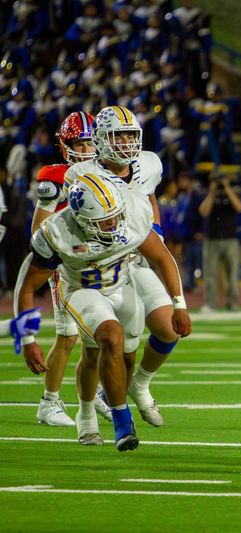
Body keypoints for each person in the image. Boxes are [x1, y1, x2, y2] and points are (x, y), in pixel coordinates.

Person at [15, 177, 191, 450]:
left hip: (122, 283)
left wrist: (178, 304)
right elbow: (26, 288)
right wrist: (27, 341)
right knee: (109, 337)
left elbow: (161, 257)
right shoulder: (57, 233)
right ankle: (121, 423)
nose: (113, 223)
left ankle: (88, 409)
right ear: (82, 219)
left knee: (125, 359)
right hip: (80, 289)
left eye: (115, 216)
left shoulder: (131, 212)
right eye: (103, 220)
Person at [68, 105, 183, 428]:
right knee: (99, 348)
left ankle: (140, 384)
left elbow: (149, 198)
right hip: (101, 268)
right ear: (102, 140)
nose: (126, 143)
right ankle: (88, 412)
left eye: (131, 135)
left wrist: (154, 231)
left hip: (137, 256)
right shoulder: (82, 175)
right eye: (119, 136)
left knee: (167, 329)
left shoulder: (148, 164)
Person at [30, 110, 112, 426]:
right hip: (66, 265)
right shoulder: (55, 178)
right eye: (79, 143)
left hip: (98, 264)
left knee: (105, 329)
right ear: (65, 146)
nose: (86, 150)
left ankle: (96, 395)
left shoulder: (103, 173)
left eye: (91, 143)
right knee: (68, 335)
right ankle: (49, 403)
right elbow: (38, 231)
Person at [198, 173, 241, 311]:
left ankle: (233, 303)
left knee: (233, 274)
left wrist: (227, 188)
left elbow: (240, 208)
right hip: (212, 239)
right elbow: (203, 212)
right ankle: (211, 304)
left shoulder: (232, 194)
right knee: (210, 274)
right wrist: (212, 192)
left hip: (230, 239)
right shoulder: (209, 195)